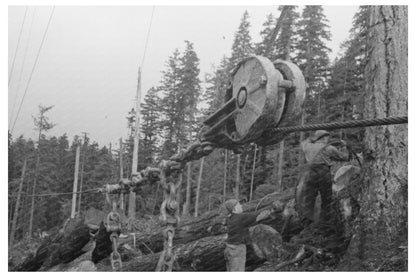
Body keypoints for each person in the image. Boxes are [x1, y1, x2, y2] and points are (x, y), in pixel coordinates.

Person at [296, 130, 350, 225]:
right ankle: (324, 222)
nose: (328, 139)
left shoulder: (307, 146)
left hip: (310, 173)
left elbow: (303, 142)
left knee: (309, 198)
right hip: (323, 172)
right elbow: (345, 157)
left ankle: (307, 223)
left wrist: (312, 139)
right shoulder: (329, 148)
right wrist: (344, 146)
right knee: (326, 198)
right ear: (324, 138)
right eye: (327, 137)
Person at [223, 199, 273, 271]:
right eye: (239, 205)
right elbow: (255, 214)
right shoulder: (240, 217)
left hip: (229, 249)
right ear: (234, 209)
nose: (241, 206)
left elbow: (246, 223)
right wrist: (271, 207)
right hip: (237, 249)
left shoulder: (230, 218)